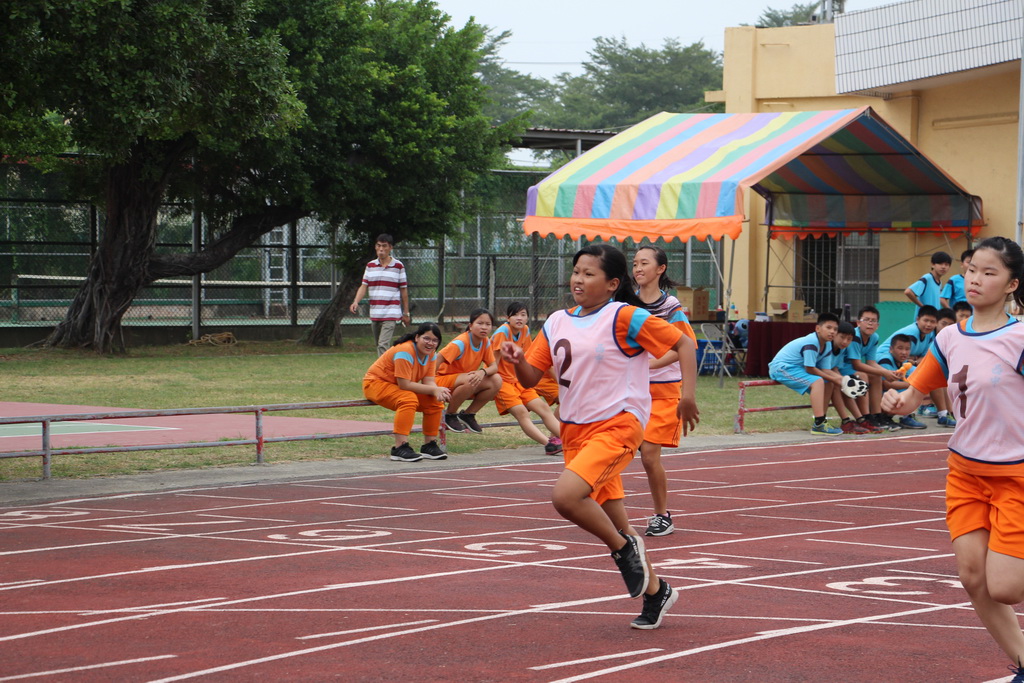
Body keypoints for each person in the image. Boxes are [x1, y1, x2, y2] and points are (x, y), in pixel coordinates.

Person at [499, 244, 698, 630]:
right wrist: (518, 359)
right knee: (616, 521)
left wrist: (687, 397)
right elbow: (531, 378)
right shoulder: (557, 321)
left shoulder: (624, 316)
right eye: (576, 271)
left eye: (589, 274)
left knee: (566, 497)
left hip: (617, 426)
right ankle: (657, 591)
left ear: (612, 284)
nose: (578, 279)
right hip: (575, 431)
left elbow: (684, 343)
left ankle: (624, 551)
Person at [881, 236, 1024, 683]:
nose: (976, 279)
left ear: (1012, 284)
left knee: (1006, 587)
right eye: (972, 270)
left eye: (989, 273)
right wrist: (895, 401)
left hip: (1017, 475)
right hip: (965, 474)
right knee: (973, 578)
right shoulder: (948, 337)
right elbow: (913, 396)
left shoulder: (1020, 338)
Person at [632, 245, 699, 536]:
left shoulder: (671, 307)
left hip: (663, 390)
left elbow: (686, 346)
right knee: (613, 453)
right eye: (635, 263)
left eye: (644, 263)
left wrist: (651, 365)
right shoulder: (626, 304)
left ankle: (662, 515)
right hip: (629, 390)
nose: (638, 268)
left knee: (649, 456)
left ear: (660, 269)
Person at [362, 323, 449, 463]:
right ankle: (400, 447)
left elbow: (429, 381)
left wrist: (437, 392)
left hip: (398, 386)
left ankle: (429, 445)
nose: (430, 343)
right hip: (375, 384)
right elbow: (405, 385)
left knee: (434, 400)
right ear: (417, 337)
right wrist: (434, 389)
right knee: (408, 399)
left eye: (435, 340)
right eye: (426, 338)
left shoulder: (431, 354)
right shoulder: (405, 351)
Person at [490, 302, 562, 455]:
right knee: (522, 413)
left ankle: (569, 441)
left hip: (519, 381)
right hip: (503, 382)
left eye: (523, 315)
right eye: (515, 315)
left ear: (528, 318)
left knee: (543, 408)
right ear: (507, 318)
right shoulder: (503, 332)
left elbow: (529, 357)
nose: (519, 318)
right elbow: (493, 363)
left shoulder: (525, 330)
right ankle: (549, 444)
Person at [767, 312, 845, 435]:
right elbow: (810, 369)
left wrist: (844, 380)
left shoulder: (828, 345)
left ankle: (821, 420)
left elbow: (826, 370)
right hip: (781, 368)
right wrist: (836, 379)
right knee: (818, 381)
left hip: (797, 368)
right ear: (818, 328)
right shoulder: (811, 342)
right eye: (828, 327)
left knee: (828, 383)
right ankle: (819, 424)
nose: (832, 332)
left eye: (835, 329)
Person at [880, 305, 955, 426]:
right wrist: (917, 381)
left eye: (932, 322)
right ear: (917, 319)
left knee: (933, 373)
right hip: (888, 360)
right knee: (926, 376)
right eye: (926, 320)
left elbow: (925, 358)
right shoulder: (912, 333)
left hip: (903, 363)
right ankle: (908, 415)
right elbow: (906, 355)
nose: (928, 325)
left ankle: (943, 414)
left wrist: (915, 361)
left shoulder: (930, 335)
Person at [435, 308, 502, 434]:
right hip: (441, 381)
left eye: (488, 324)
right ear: (470, 326)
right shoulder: (461, 342)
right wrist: (431, 386)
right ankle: (449, 414)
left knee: (496, 380)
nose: (484, 327)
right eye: (480, 323)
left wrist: (482, 372)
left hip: (464, 382)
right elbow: (437, 359)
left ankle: (468, 415)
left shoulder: (485, 341)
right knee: (471, 378)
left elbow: (494, 367)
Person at [349, 234, 411, 356]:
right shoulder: (370, 266)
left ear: (390, 248)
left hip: (391, 313)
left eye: (384, 246)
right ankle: (389, 365)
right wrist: (355, 301)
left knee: (383, 344)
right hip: (375, 312)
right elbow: (364, 286)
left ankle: (382, 368)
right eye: (378, 245)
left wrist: (406, 312)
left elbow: (404, 290)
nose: (381, 249)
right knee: (379, 345)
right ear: (375, 247)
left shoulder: (398, 266)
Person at [847, 306, 901, 431]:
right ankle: (866, 417)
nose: (870, 323)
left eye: (873, 321)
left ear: (878, 325)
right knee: (864, 376)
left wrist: (886, 372)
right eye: (866, 320)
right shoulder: (855, 336)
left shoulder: (874, 337)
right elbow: (856, 364)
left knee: (877, 376)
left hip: (852, 368)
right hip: (842, 367)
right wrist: (883, 372)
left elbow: (871, 362)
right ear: (858, 323)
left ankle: (877, 416)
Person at [830, 321, 881, 434]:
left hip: (830, 371)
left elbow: (834, 368)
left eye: (849, 339)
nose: (845, 341)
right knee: (836, 384)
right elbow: (817, 368)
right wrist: (841, 380)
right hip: (800, 370)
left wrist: (842, 380)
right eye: (842, 337)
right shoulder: (826, 345)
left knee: (846, 384)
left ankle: (866, 418)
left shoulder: (842, 348)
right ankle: (845, 421)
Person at [876, 333, 920, 430]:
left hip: (888, 395)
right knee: (908, 391)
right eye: (900, 348)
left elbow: (918, 375)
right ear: (891, 349)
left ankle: (905, 416)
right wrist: (912, 384)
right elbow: (886, 384)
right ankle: (885, 417)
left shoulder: (905, 362)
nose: (904, 352)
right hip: (876, 397)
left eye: (907, 349)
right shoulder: (885, 360)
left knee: (916, 388)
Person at [904, 251, 951, 317]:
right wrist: (923, 307)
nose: (943, 267)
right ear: (933, 264)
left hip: (934, 318)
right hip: (924, 319)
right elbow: (908, 292)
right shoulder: (927, 278)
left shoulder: (939, 282)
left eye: (946, 264)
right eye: (940, 263)